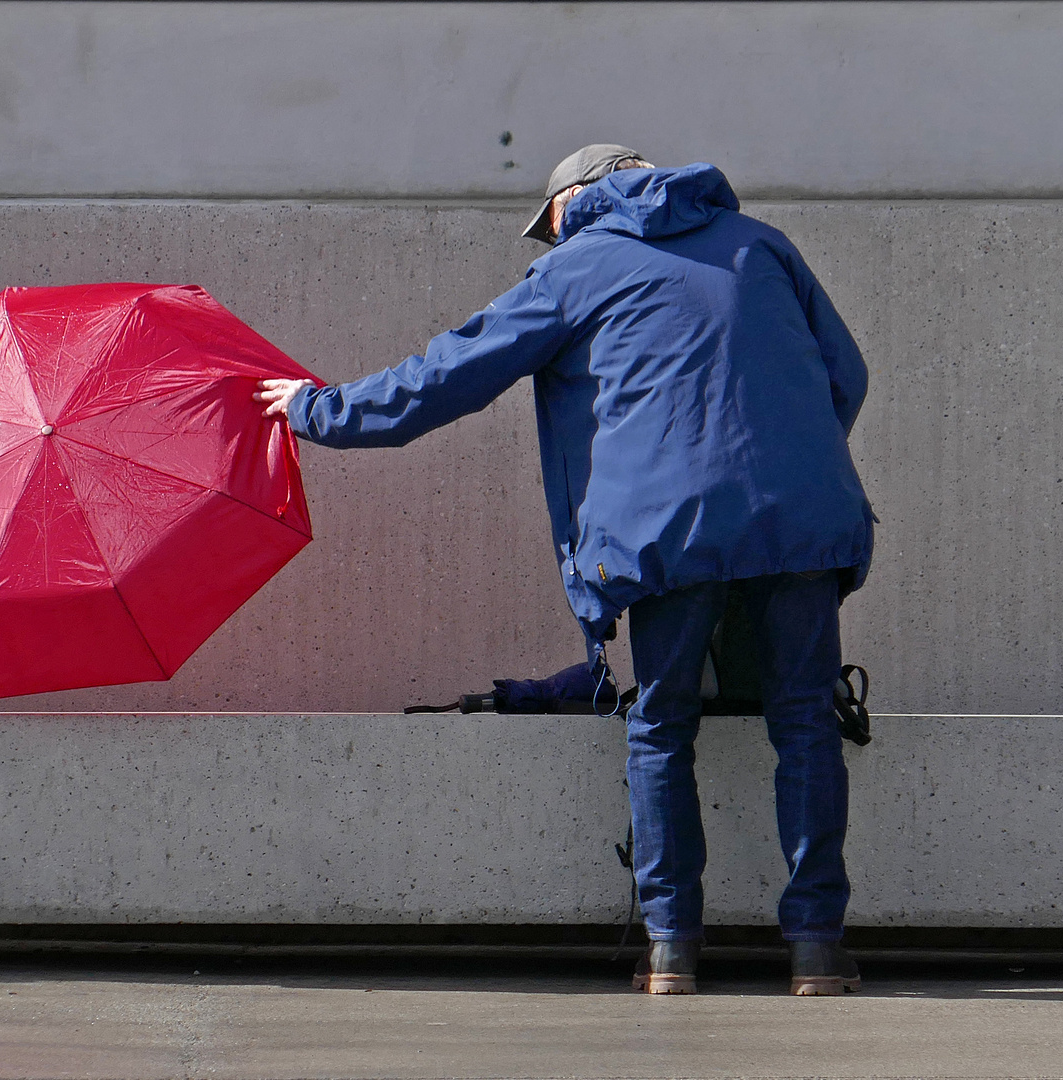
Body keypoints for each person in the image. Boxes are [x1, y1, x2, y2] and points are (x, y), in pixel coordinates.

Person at [256, 144, 876, 996]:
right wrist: (778, 467)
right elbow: (846, 375)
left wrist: (315, 409)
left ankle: (670, 949)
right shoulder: (761, 244)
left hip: (670, 530)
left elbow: (447, 375)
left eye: (546, 223)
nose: (547, 239)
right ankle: (815, 947)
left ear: (573, 200)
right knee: (803, 721)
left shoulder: (578, 267)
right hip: (803, 515)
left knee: (661, 725)